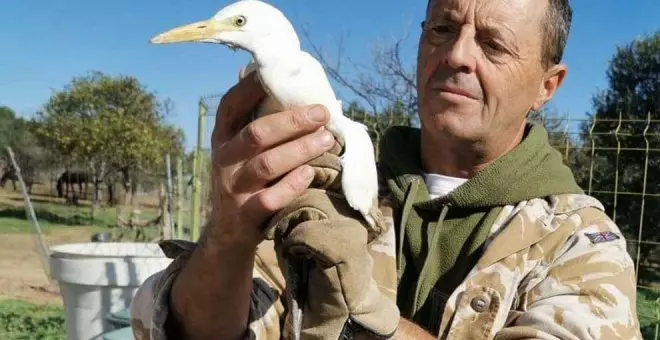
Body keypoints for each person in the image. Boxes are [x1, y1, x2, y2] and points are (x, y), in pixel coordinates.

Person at [130, 0, 643, 338]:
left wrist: (374, 320)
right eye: (442, 29)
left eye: (493, 44)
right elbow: (182, 326)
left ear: (546, 87)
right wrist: (228, 235)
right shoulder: (318, 182)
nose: (457, 55)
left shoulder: (580, 244)